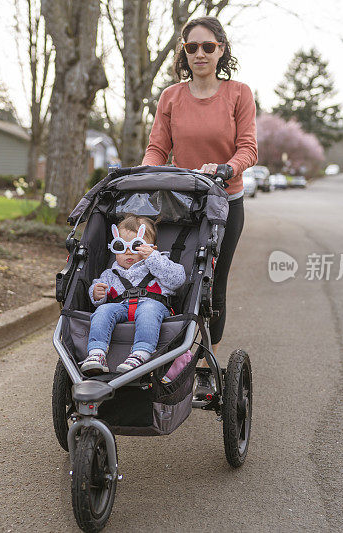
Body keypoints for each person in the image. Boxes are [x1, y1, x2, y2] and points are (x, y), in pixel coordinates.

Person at [141, 16, 257, 399]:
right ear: (184, 53)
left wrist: (228, 168)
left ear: (221, 49)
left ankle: (207, 361)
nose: (200, 54)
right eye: (192, 47)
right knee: (173, 274)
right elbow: (158, 148)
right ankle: (168, 351)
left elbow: (248, 148)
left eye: (209, 46)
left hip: (225, 202)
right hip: (180, 203)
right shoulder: (171, 97)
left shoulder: (238, 93)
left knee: (211, 281)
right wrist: (144, 174)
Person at [81, 215, 186, 375]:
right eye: (120, 246)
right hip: (121, 308)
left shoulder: (158, 264)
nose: (128, 252)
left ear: (152, 247)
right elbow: (98, 295)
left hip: (153, 305)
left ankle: (141, 353)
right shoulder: (111, 273)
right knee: (103, 311)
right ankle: (97, 353)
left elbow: (178, 279)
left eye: (136, 246)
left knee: (149, 309)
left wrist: (152, 258)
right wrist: (97, 293)